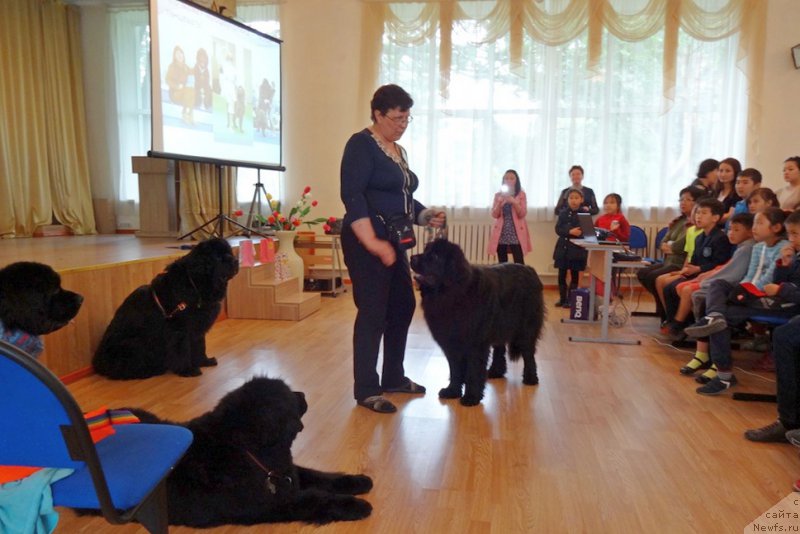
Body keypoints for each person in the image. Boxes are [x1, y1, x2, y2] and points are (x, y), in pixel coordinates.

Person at [340, 84, 446, 414]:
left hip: (393, 240)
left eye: (406, 119)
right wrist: (372, 242)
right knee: (373, 312)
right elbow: (353, 196)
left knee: (402, 305)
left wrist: (424, 215)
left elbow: (401, 198)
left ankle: (393, 376)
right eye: (397, 118)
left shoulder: (397, 151)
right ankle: (366, 389)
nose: (402, 125)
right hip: (365, 240)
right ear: (378, 114)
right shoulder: (361, 145)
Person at [685, 207, 791, 393]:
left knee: (721, 315)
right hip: (748, 292)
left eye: (759, 223)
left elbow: (769, 279)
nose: (755, 227)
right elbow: (750, 275)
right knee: (718, 286)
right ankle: (714, 317)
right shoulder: (757, 247)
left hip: (765, 296)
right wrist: (740, 290)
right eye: (754, 223)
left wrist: (743, 293)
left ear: (776, 228)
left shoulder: (783, 249)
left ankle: (723, 374)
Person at [676, 212, 754, 370]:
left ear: (749, 231)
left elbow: (733, 275)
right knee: (700, 296)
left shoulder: (747, 248)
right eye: (730, 229)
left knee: (703, 299)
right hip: (730, 286)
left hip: (739, 290)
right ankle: (703, 353)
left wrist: (706, 281)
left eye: (736, 230)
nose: (731, 233)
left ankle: (711, 357)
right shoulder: (743, 247)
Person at [657, 198, 733, 337]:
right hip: (696, 272)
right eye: (697, 212)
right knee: (669, 286)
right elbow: (694, 260)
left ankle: (679, 324)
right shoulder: (700, 237)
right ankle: (675, 320)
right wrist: (685, 270)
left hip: (709, 275)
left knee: (679, 287)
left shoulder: (720, 238)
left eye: (704, 213)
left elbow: (719, 263)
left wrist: (698, 269)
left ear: (715, 218)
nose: (698, 216)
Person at [637, 186, 702, 319]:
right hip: (669, 261)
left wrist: (671, 246)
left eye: (688, 199)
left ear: (697, 203)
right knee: (643, 273)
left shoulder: (693, 224)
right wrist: (670, 246)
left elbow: (679, 246)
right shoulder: (679, 221)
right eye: (681, 199)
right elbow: (663, 241)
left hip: (678, 263)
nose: (683, 202)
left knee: (653, 276)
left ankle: (666, 313)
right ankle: (663, 308)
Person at [553, 188, 588, 308]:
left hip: (577, 250)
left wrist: (577, 232)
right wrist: (569, 231)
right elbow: (558, 229)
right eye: (571, 198)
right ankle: (562, 298)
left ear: (581, 199)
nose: (573, 200)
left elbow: (587, 232)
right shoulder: (563, 213)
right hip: (563, 248)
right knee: (561, 274)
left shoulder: (584, 214)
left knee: (574, 275)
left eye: (576, 198)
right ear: (567, 199)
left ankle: (571, 300)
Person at [487, 169, 531, 264]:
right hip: (501, 232)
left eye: (512, 178)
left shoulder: (521, 195)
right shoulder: (498, 195)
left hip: (516, 233)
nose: (509, 180)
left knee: (519, 262)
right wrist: (499, 203)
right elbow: (494, 214)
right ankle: (504, 275)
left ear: (516, 180)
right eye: (506, 178)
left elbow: (522, 214)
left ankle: (519, 275)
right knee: (502, 262)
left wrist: (514, 202)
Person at [715, 157, 742, 225]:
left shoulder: (737, 193)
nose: (723, 174)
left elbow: (730, 215)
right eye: (721, 171)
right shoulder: (715, 191)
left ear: (735, 173)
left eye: (727, 171)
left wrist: (711, 219)